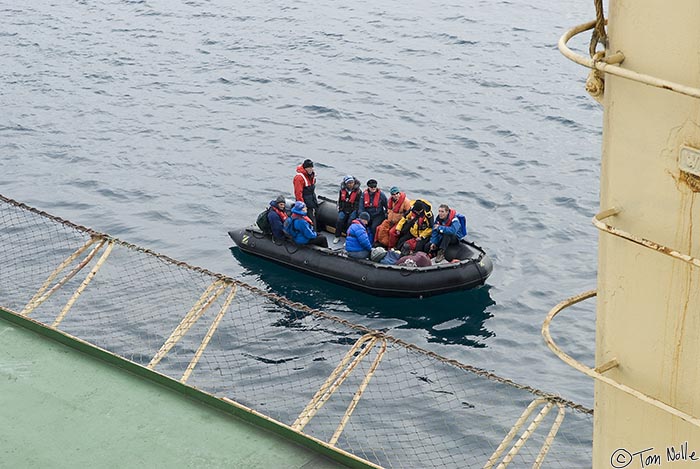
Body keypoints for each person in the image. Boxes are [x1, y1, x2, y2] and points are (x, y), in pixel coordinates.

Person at [333, 175, 361, 244]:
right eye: (349, 183)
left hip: (353, 209)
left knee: (350, 221)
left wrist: (356, 211)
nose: (351, 184)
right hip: (344, 209)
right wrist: (340, 208)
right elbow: (340, 200)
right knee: (340, 219)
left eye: (352, 182)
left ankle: (348, 238)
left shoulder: (358, 192)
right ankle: (337, 236)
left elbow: (359, 203)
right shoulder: (342, 191)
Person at [360, 179, 387, 243]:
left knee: (374, 227)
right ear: (368, 187)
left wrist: (386, 214)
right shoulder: (364, 195)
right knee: (362, 225)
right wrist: (363, 217)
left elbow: (387, 205)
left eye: (375, 187)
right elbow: (361, 207)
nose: (373, 188)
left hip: (378, 215)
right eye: (372, 187)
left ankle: (374, 242)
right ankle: (363, 240)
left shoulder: (381, 195)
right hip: (368, 215)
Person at [293, 159, 319, 228]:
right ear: (305, 168)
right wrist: (302, 206)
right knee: (309, 220)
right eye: (309, 168)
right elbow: (298, 193)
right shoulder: (299, 178)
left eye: (311, 168)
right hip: (305, 203)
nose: (311, 169)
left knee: (314, 217)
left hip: (311, 201)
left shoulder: (311, 176)